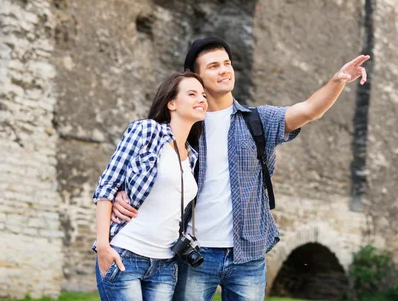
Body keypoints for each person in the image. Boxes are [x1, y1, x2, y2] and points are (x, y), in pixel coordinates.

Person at [111, 37, 369, 301]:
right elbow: (141, 166)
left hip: (248, 254)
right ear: (196, 78)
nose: (224, 70)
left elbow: (309, 110)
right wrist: (121, 192)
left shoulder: (258, 120)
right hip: (194, 253)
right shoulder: (183, 126)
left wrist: (338, 81)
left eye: (227, 63)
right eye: (213, 66)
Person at [93, 71, 207, 301]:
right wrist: (104, 247)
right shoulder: (146, 131)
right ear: (171, 103)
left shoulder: (192, 155)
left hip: (165, 265)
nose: (201, 99)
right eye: (192, 93)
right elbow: (106, 186)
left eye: (203, 95)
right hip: (125, 255)